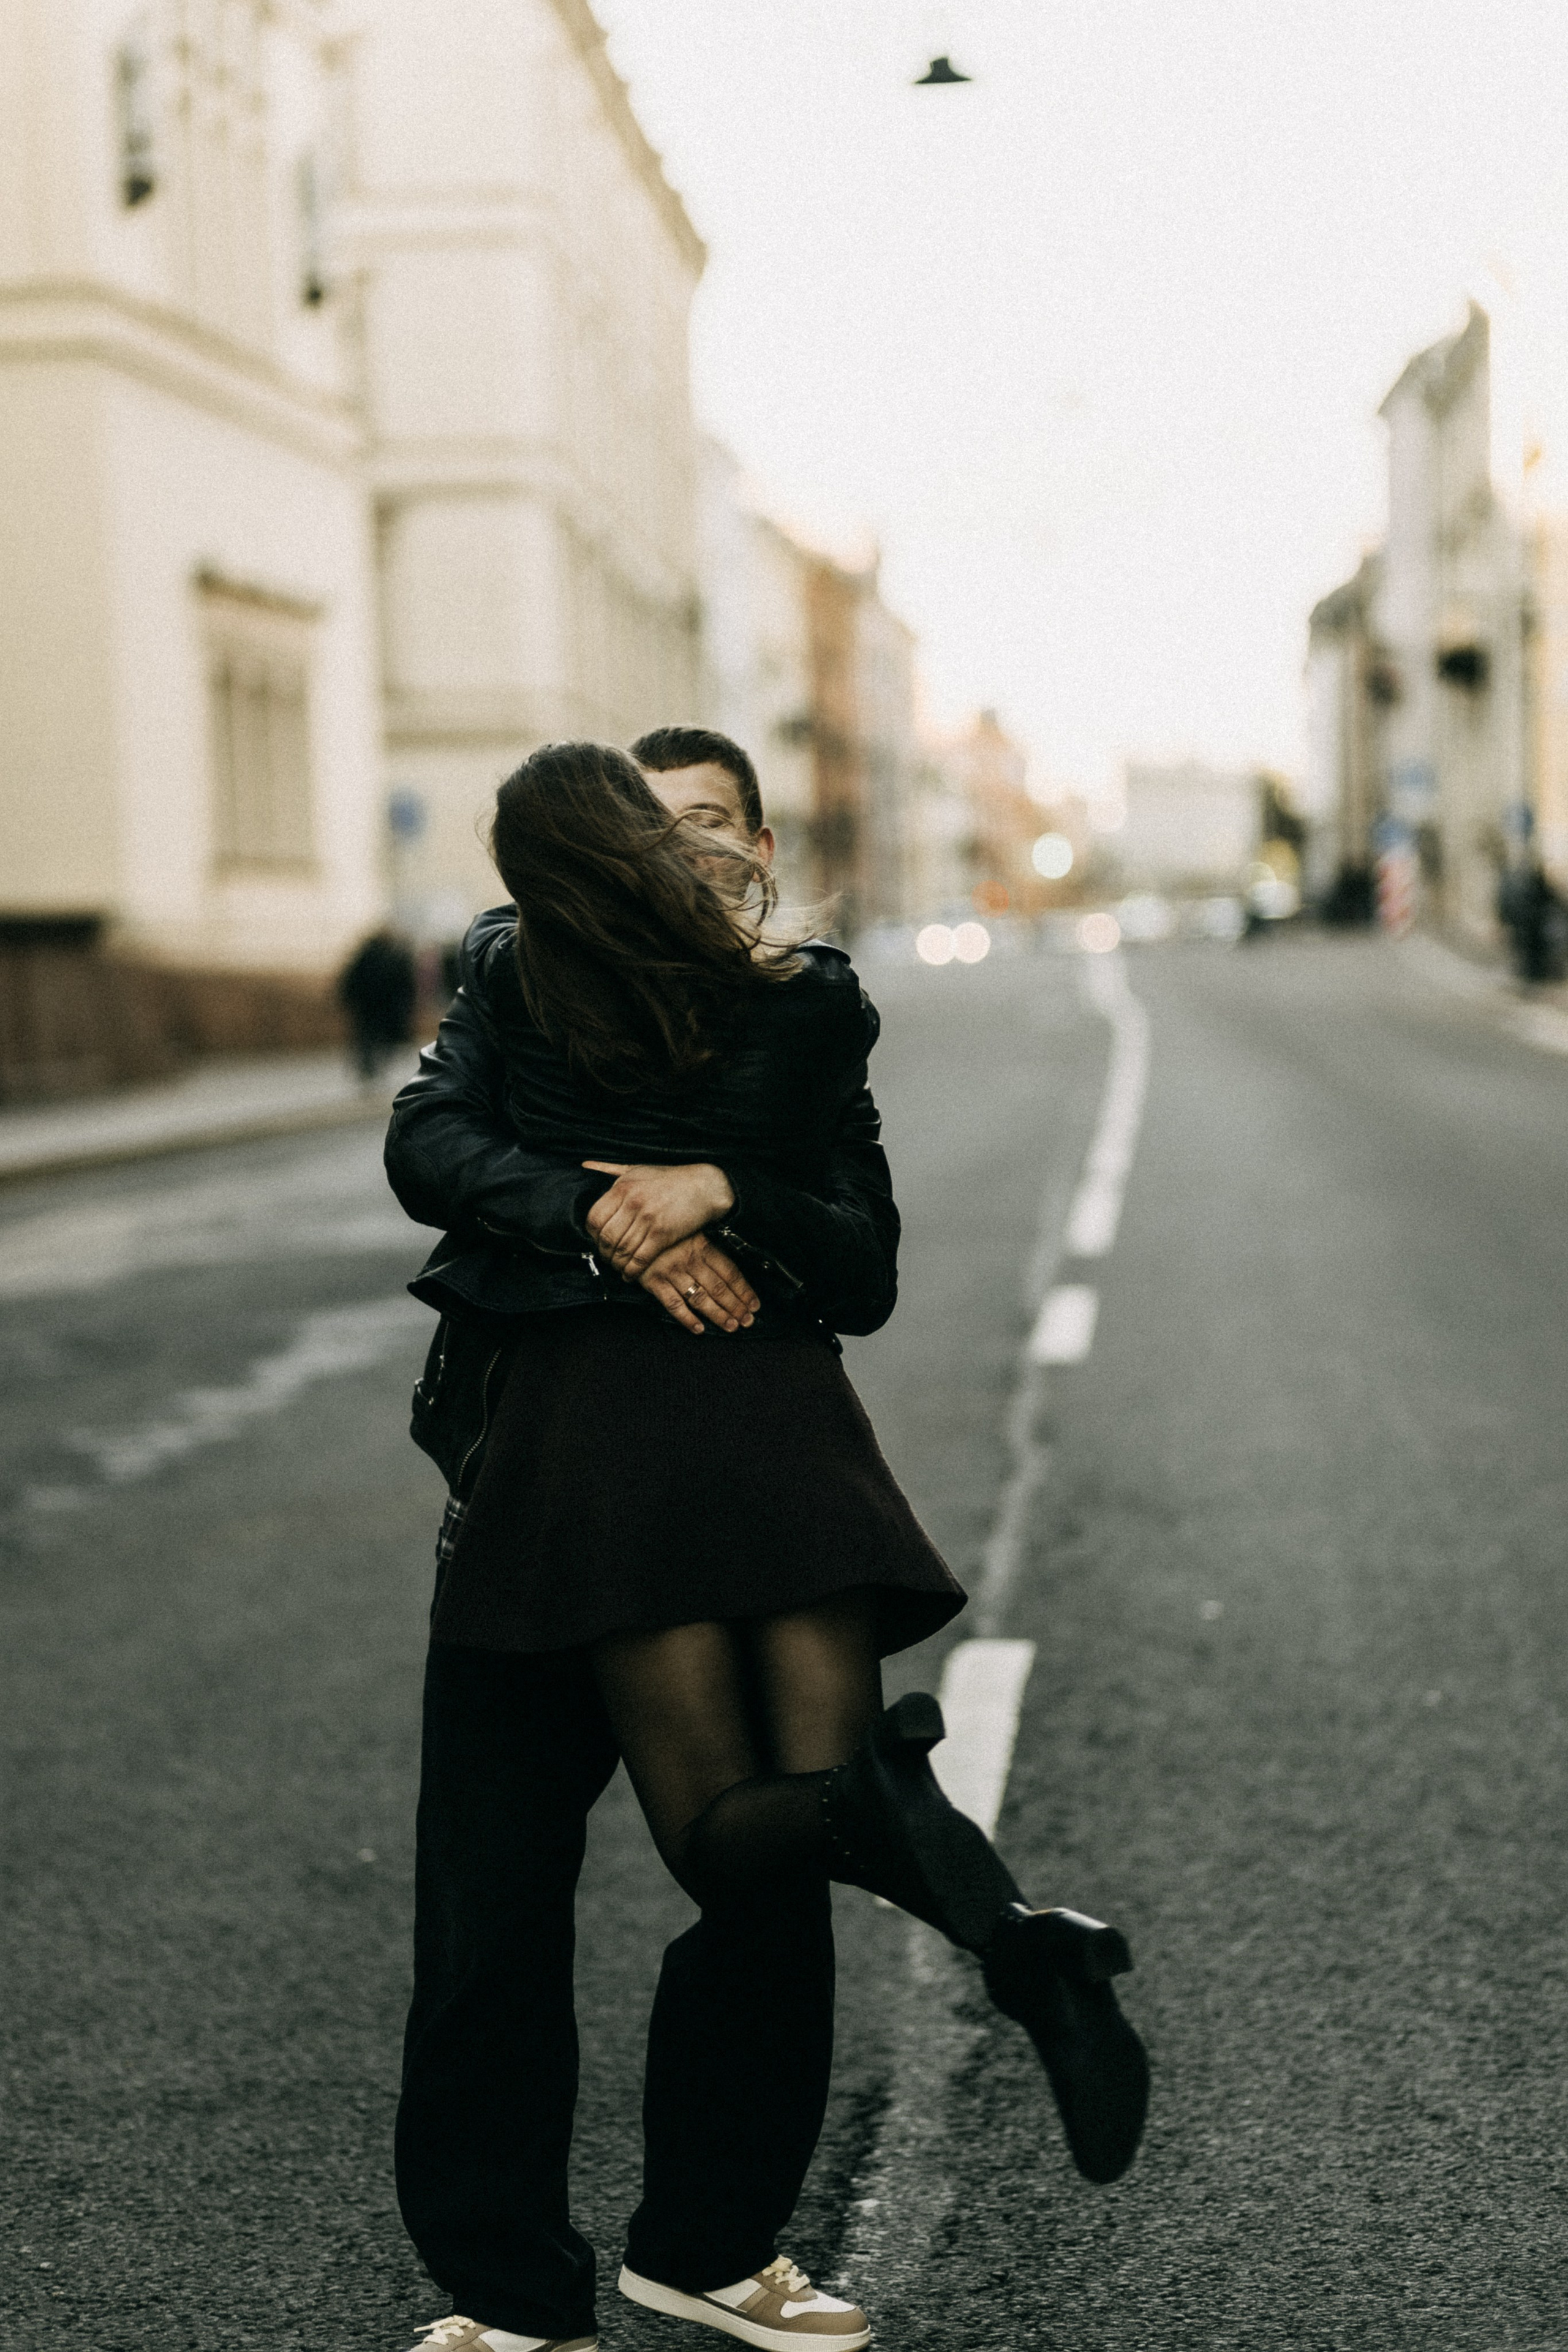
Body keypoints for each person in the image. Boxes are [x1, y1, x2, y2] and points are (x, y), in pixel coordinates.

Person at [384, 729, 1148, 2352]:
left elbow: (859, 1255)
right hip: (545, 1480)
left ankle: (713, 2248)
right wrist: (611, 1223)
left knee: (752, 1891)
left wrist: (715, 1186)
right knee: (489, 1913)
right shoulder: (522, 971)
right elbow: (430, 1144)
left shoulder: (790, 998)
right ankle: (510, 2296)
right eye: (654, 827)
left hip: (721, 1466)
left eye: (713, 819)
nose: (686, 850)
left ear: (756, 833)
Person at [338, 925, 418, 1083]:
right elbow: (406, 985)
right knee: (380, 1037)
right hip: (382, 1006)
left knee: (367, 1036)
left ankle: (369, 1067)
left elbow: (351, 978)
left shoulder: (366, 955)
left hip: (368, 1005)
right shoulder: (393, 956)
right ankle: (373, 1067)